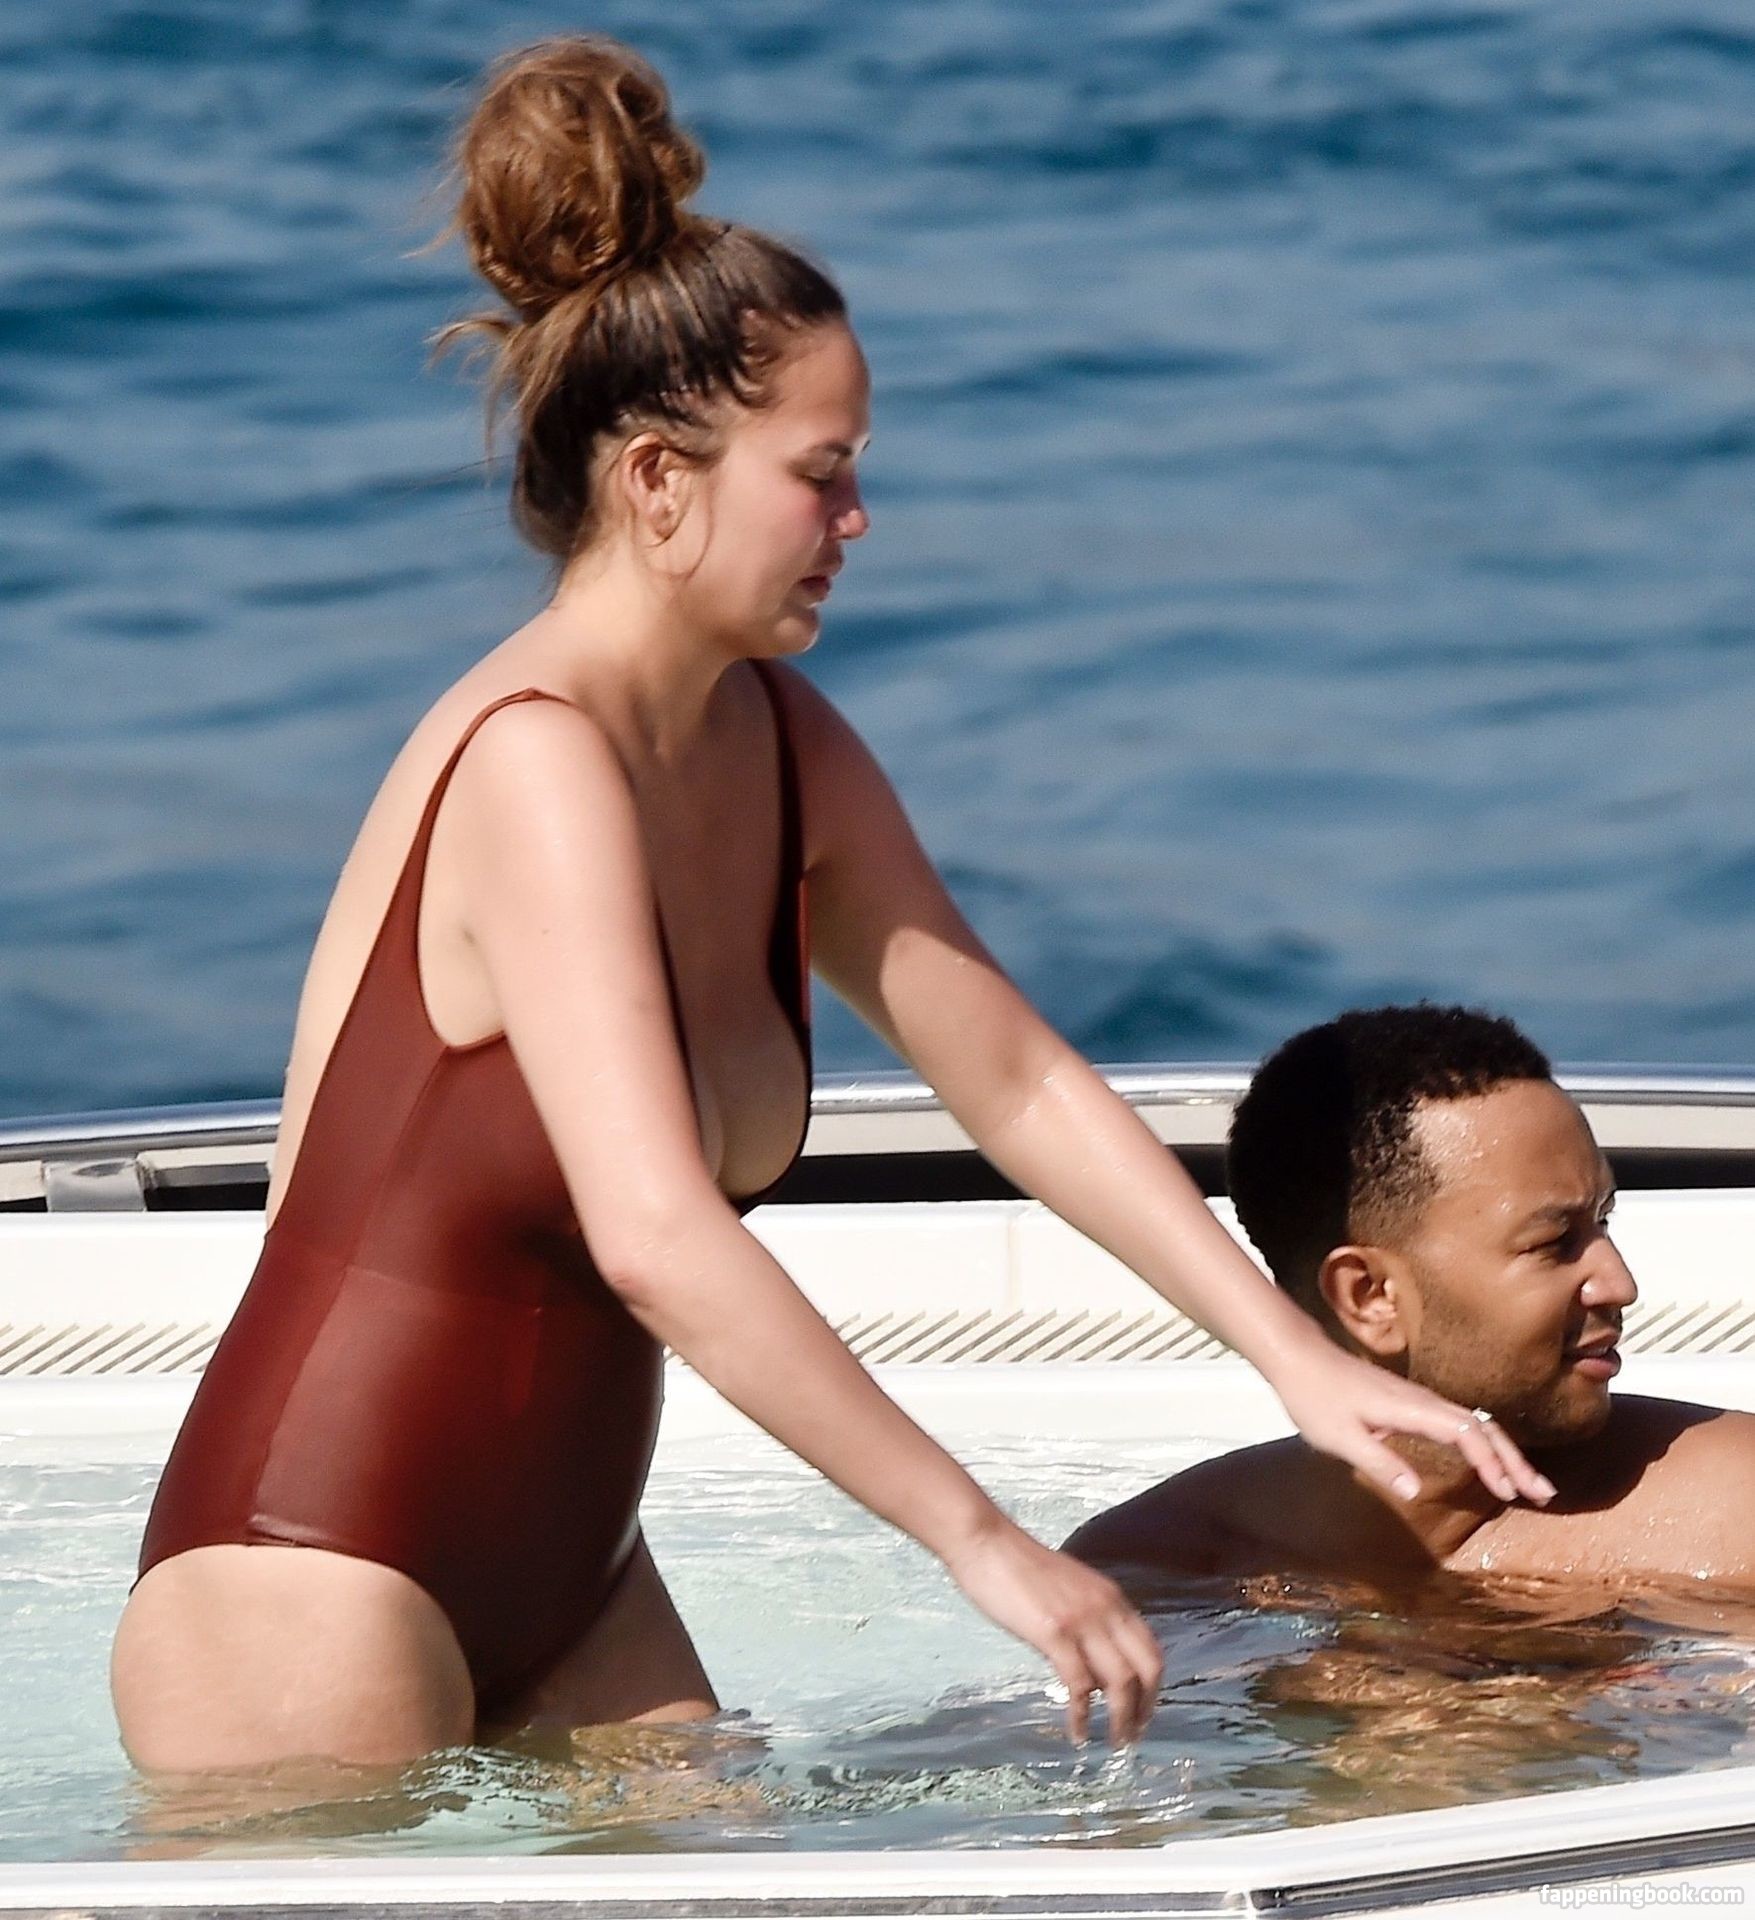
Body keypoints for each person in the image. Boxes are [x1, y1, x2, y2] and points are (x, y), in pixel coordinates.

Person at [109, 40, 1548, 1776]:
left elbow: (1014, 1079)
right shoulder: (533, 763)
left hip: (578, 1586)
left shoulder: (786, 746)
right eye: (820, 471)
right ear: (658, 481)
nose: (857, 518)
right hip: (312, 1574)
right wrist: (978, 1536)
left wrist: (1292, 1362)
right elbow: (655, 1238)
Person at [1067, 1004, 1755, 1602]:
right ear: (1370, 1296)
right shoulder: (1158, 1568)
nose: (1618, 1283)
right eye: (1553, 1242)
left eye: (1602, 1221)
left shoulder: (1733, 1509)